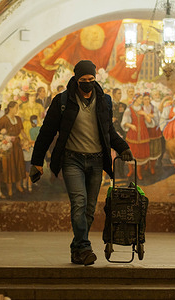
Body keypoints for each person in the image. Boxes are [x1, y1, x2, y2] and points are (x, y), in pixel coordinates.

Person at [30, 60, 132, 265]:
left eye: (91, 80)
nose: (87, 84)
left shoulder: (105, 101)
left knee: (89, 208)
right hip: (71, 160)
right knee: (79, 203)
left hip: (96, 161)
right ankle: (85, 248)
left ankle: (77, 248)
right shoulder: (62, 101)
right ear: (76, 80)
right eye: (83, 80)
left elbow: (108, 131)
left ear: (95, 79)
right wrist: (37, 161)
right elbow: (47, 133)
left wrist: (123, 147)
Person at [0, 101, 28, 197]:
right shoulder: (3, 120)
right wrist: (5, 138)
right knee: (9, 167)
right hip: (8, 147)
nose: (17, 110)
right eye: (16, 107)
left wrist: (26, 139)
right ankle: (10, 189)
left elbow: (22, 132)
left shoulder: (18, 119)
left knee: (18, 164)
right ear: (10, 108)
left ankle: (18, 186)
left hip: (17, 146)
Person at [121, 93, 150, 180]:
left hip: (143, 133)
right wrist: (131, 126)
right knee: (132, 152)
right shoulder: (129, 109)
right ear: (135, 99)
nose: (142, 100)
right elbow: (124, 122)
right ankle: (131, 170)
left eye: (142, 98)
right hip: (133, 134)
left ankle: (139, 172)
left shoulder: (143, 108)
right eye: (140, 98)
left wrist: (145, 114)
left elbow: (149, 121)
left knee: (140, 153)